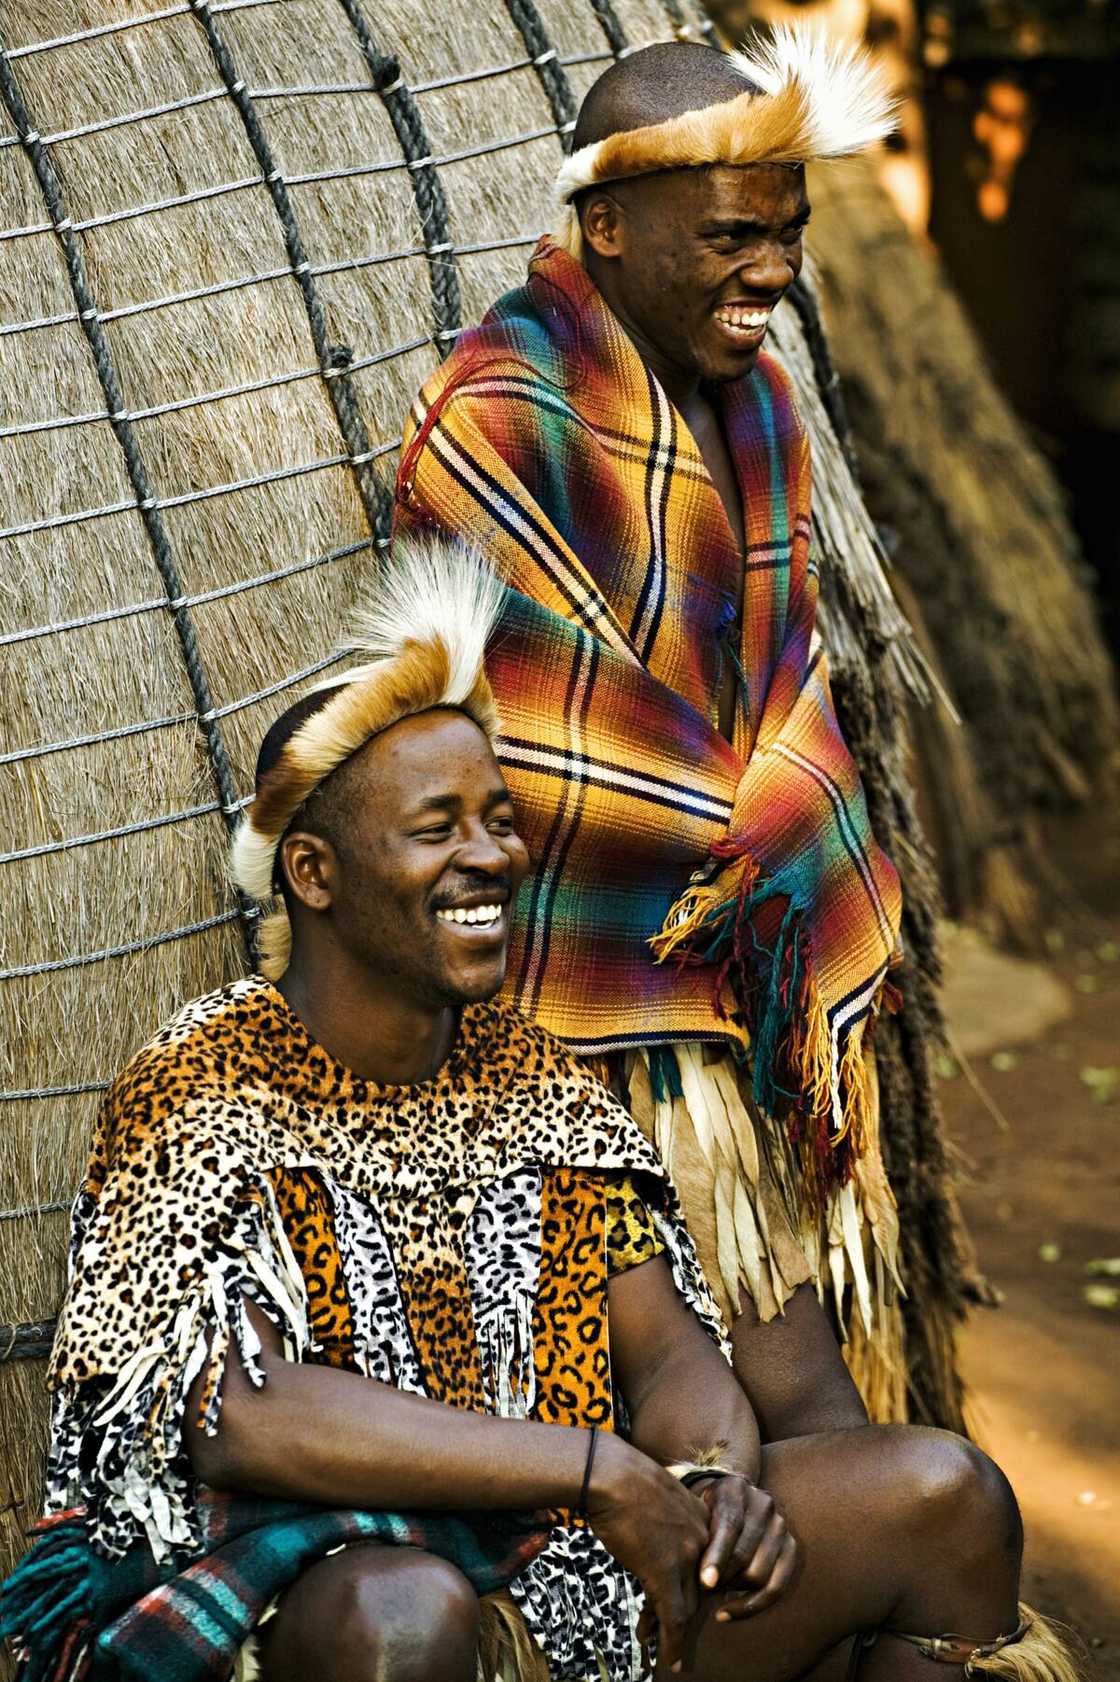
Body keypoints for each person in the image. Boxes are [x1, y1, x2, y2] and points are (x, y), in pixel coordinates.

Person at [1, 537, 1072, 1682]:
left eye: (498, 818)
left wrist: (707, 1481)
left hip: (563, 1565)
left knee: (941, 1496)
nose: (490, 856)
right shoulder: (205, 1083)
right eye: (436, 828)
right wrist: (590, 1467)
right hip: (312, 1591)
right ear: (313, 874)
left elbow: (666, 1358)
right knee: (405, 1613)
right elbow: (237, 1413)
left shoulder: (536, 1082)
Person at [394, 26, 914, 1425]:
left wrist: (772, 820)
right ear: (606, 229)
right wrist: (740, 851)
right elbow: (537, 729)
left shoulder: (765, 410)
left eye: (790, 237)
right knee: (670, 1427)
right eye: (735, 238)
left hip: (735, 978)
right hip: (585, 1004)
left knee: (799, 1399)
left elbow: (790, 673)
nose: (774, 275)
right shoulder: (499, 419)